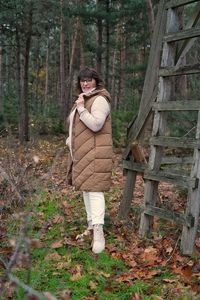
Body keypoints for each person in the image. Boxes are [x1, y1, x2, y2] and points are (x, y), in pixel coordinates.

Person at [66, 67, 113, 254]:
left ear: (96, 82)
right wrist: (70, 139)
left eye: (89, 80)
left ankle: (99, 232)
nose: (85, 83)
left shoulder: (100, 99)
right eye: (82, 80)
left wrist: (81, 110)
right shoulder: (84, 98)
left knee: (94, 191)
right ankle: (91, 226)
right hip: (83, 152)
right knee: (86, 189)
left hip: (95, 154)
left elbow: (96, 124)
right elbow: (77, 126)